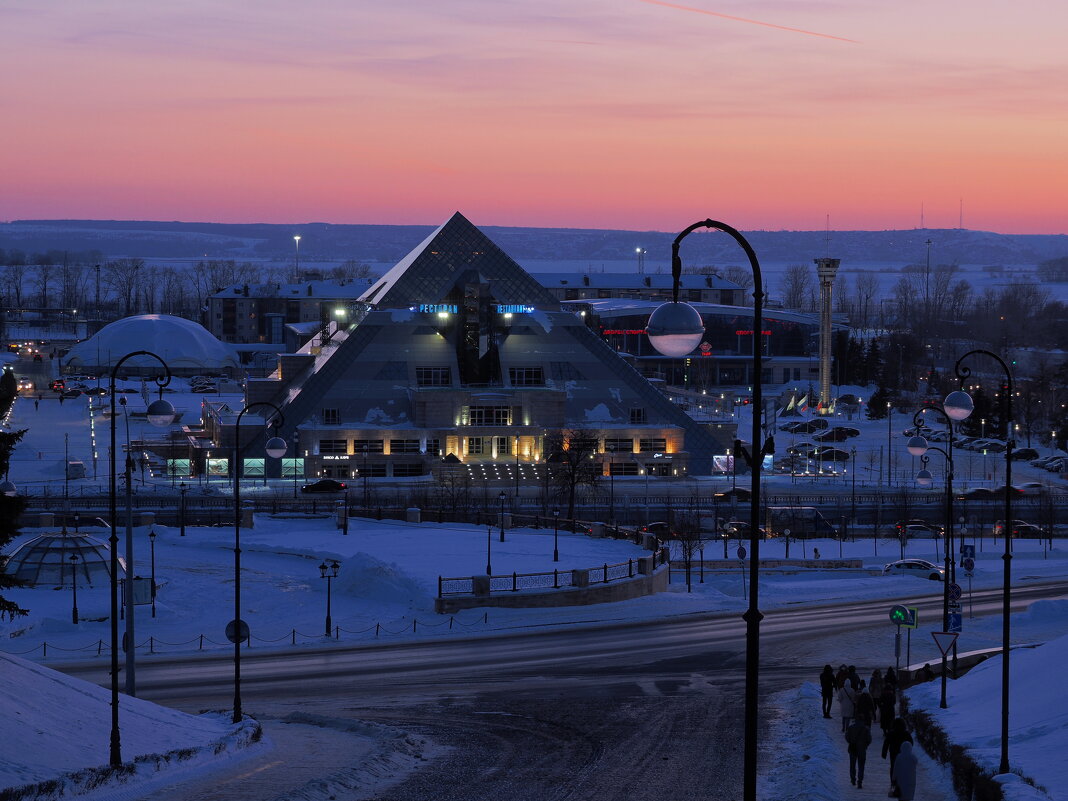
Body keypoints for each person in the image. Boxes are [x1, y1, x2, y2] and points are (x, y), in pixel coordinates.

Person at [882, 717, 914, 795]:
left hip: (893, 753)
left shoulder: (891, 733)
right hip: (903, 754)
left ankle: (894, 784)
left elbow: (886, 743)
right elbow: (911, 743)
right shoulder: (906, 733)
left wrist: (884, 753)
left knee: (893, 768)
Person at [845, 714, 873, 789]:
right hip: (862, 749)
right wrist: (865, 745)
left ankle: (853, 779)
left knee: (852, 764)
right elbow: (869, 739)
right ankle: (860, 781)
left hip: (853, 748)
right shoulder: (866, 729)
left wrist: (851, 742)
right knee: (861, 766)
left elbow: (847, 737)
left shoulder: (851, 728)